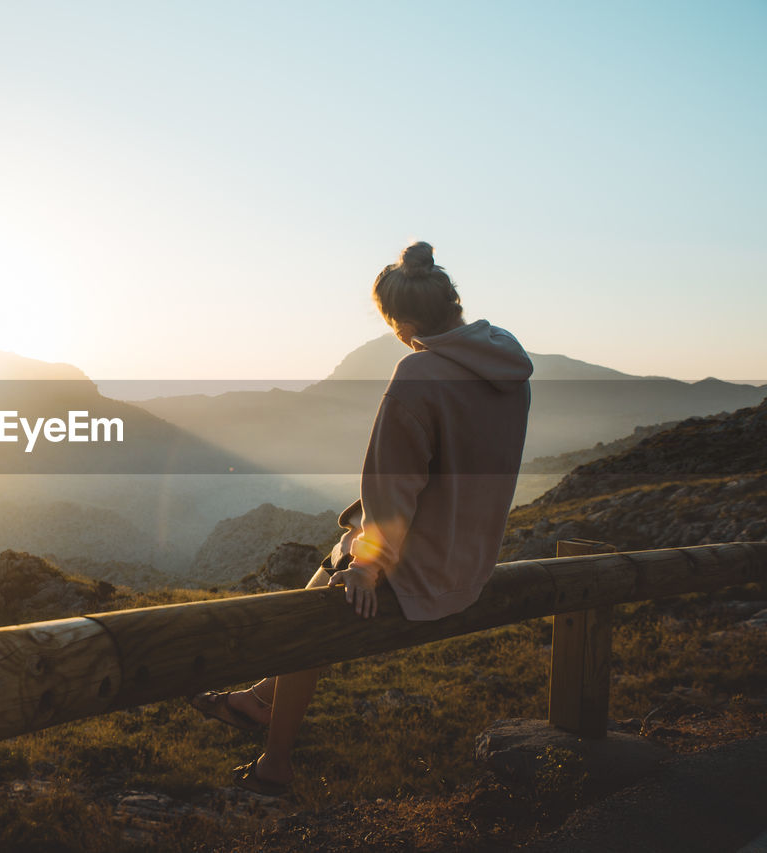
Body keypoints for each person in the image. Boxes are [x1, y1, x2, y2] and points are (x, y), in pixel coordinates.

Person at [190, 241, 533, 795]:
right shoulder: (507, 360)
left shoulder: (419, 373)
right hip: (473, 556)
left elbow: (394, 489)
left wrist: (368, 567)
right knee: (331, 567)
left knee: (315, 614)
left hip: (427, 567)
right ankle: (258, 699)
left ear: (398, 324)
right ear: (455, 301)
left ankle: (274, 764)